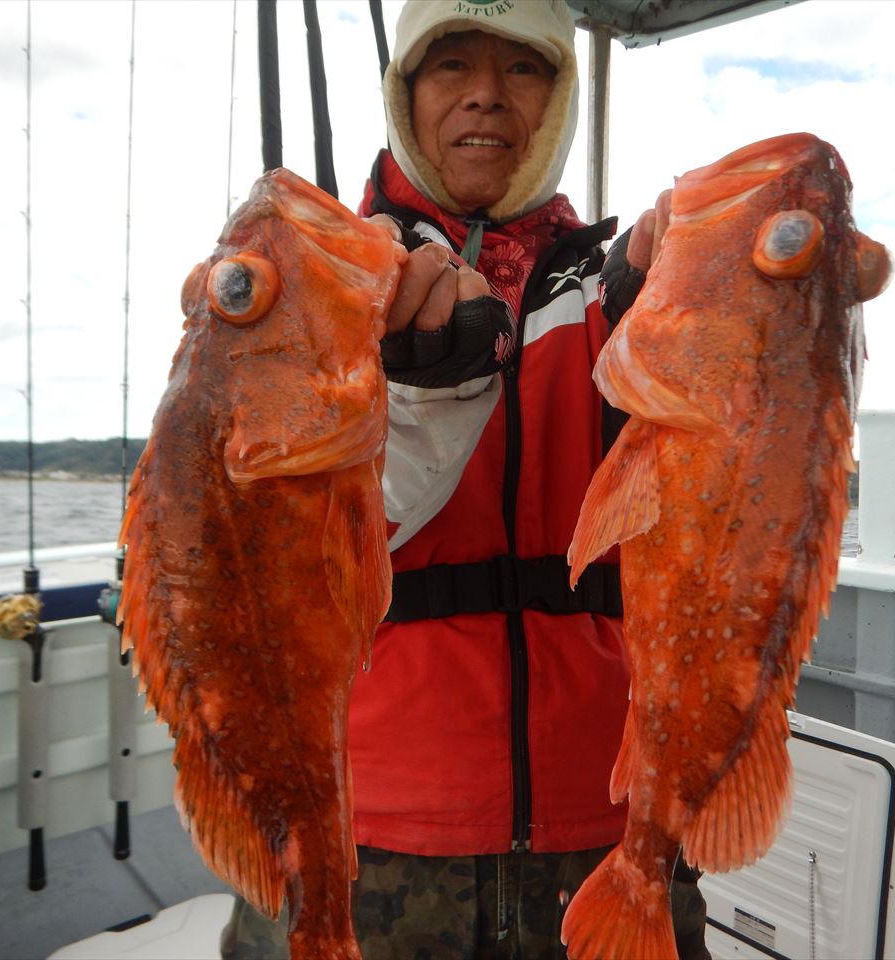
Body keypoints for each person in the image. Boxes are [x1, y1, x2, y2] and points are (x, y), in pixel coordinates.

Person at [223, 2, 708, 957]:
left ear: (560, 98)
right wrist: (409, 387)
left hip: (607, 829)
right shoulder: (311, 282)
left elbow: (728, 507)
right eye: (450, 65)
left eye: (522, 69)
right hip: (364, 836)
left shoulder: (628, 303)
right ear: (405, 96)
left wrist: (732, 314)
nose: (486, 92)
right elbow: (272, 542)